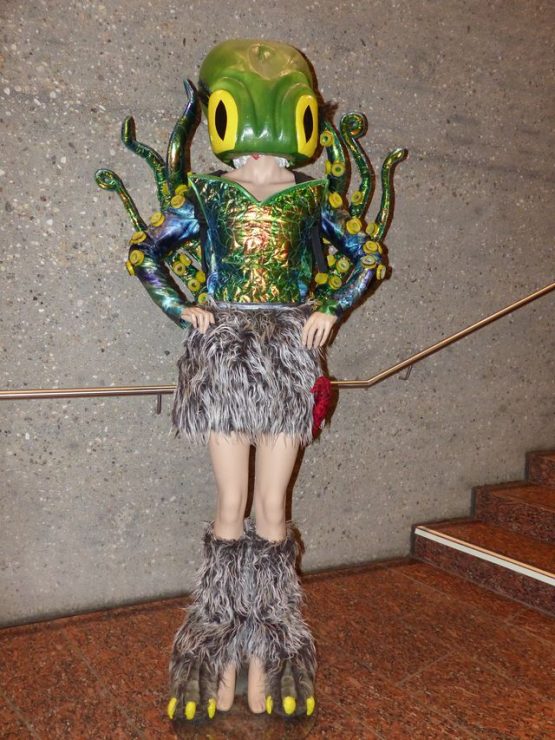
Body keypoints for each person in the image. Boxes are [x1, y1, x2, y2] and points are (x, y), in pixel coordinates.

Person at [96, 37, 404, 723]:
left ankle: (271, 647)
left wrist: (329, 308)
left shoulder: (312, 196)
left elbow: (366, 255)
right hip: (225, 355)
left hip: (289, 356)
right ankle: (216, 646)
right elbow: (146, 253)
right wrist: (183, 307)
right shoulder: (208, 193)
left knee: (271, 508)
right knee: (230, 504)